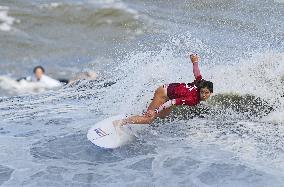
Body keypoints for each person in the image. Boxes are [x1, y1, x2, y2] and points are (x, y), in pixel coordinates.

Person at [114, 53, 213, 126]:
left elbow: (197, 73)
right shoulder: (193, 100)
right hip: (163, 93)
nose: (203, 95)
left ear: (211, 93)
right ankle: (121, 122)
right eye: (202, 92)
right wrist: (156, 111)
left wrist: (195, 61)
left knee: (163, 116)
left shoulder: (201, 83)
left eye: (206, 93)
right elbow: (173, 102)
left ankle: (144, 112)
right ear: (200, 90)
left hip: (169, 91)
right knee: (149, 119)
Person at [17, 66, 97, 88]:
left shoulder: (45, 80)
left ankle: (88, 76)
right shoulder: (33, 77)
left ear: (43, 73)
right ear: (34, 73)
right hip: (56, 80)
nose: (38, 74)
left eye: (40, 72)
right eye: (37, 72)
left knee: (73, 82)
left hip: (59, 84)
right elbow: (26, 78)